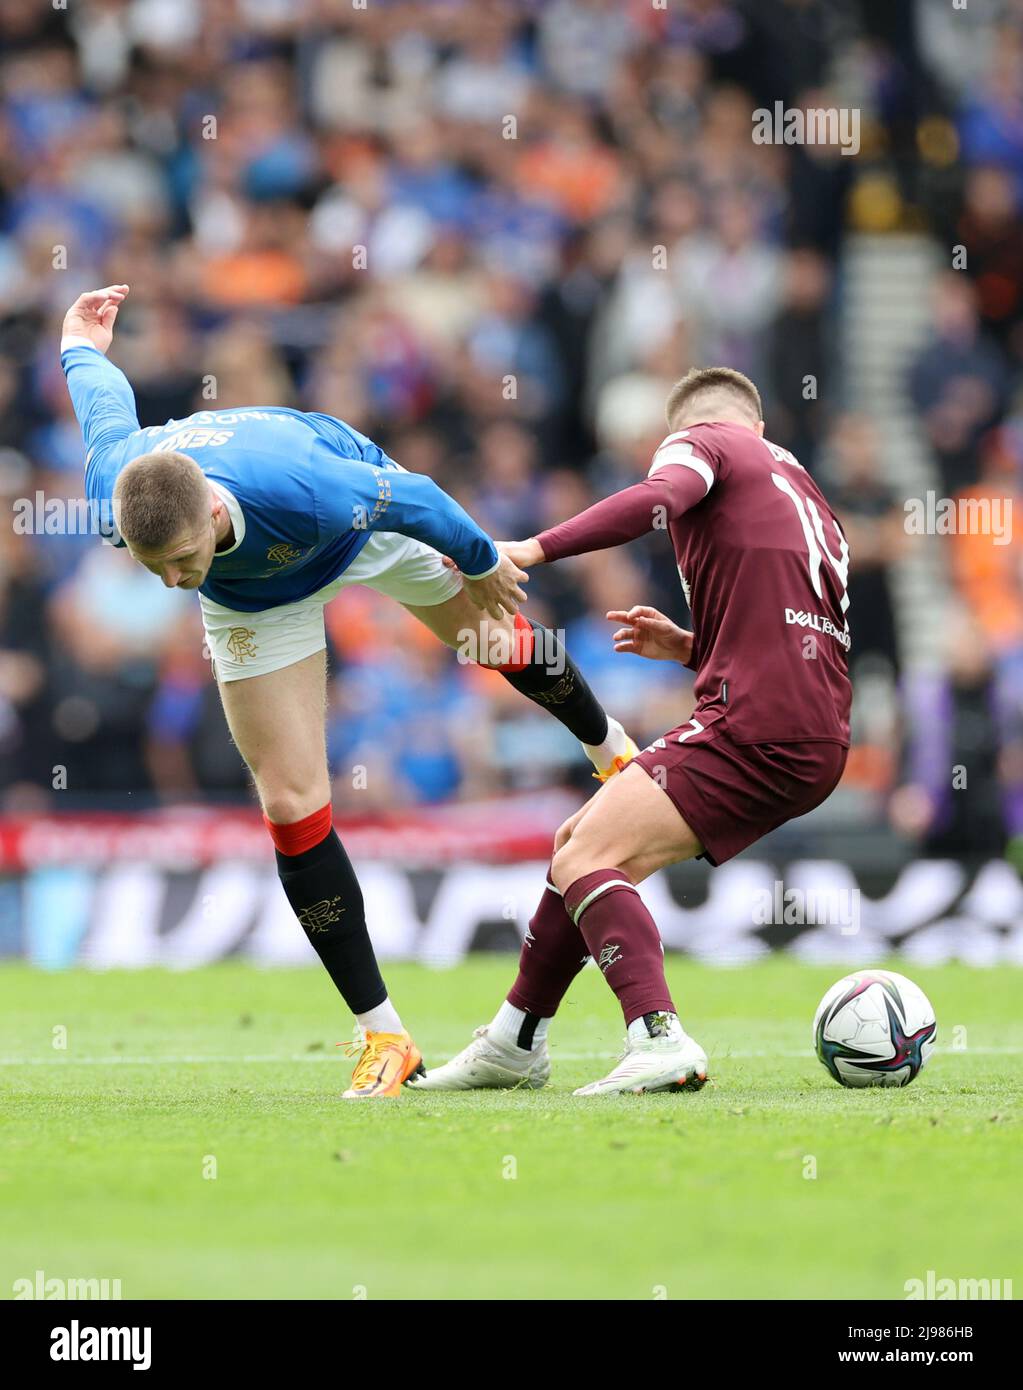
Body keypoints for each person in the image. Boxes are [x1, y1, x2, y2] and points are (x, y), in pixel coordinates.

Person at [59, 285, 637, 1099]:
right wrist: (80, 344)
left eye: (182, 562)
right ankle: (385, 1037)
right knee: (291, 805)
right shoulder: (120, 494)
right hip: (257, 597)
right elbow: (104, 407)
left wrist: (479, 562)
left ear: (213, 511)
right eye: (155, 569)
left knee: (486, 638)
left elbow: (425, 499)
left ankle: (612, 753)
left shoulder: (303, 487)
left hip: (360, 531)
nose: (169, 583)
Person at [415, 366, 851, 1095]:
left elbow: (659, 499)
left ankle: (659, 1035)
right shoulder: (804, 490)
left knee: (589, 851)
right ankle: (513, 1040)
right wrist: (691, 648)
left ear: (680, 431)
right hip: (814, 728)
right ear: (763, 426)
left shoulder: (703, 442)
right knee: (575, 846)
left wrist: (531, 549)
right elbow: (804, 632)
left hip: (757, 723)